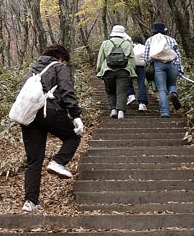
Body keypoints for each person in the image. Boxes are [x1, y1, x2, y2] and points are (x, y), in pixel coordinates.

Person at [20, 44, 84, 212]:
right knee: (73, 137)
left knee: (34, 160)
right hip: (50, 110)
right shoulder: (58, 67)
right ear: (60, 58)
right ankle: (58, 161)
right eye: (65, 62)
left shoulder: (33, 69)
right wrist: (75, 115)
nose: (65, 65)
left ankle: (30, 202)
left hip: (28, 115)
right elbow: (66, 90)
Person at [143, 22, 183, 118]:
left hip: (158, 65)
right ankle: (173, 93)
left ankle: (165, 112)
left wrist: (149, 66)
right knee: (172, 84)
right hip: (172, 64)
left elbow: (146, 57)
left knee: (161, 89)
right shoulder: (171, 40)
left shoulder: (150, 40)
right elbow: (177, 55)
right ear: (164, 30)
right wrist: (179, 68)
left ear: (153, 31)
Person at [96, 25, 136, 119]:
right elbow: (132, 59)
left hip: (108, 70)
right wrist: (131, 70)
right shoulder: (127, 44)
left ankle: (113, 109)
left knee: (110, 91)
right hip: (123, 70)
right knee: (122, 91)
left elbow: (100, 58)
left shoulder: (105, 43)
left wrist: (99, 70)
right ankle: (121, 111)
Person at [127, 36, 148, 111]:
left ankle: (131, 94)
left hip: (131, 66)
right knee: (142, 83)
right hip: (142, 66)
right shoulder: (144, 47)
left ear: (133, 41)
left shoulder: (130, 46)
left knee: (128, 80)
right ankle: (142, 103)